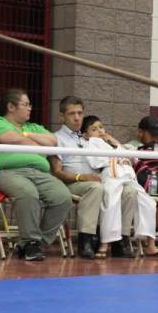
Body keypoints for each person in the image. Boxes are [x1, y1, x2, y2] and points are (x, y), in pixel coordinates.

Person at [0, 89, 72, 261]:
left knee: (63, 197)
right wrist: (35, 142)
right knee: (28, 193)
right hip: (6, 171)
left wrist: (27, 134)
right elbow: (12, 139)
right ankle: (31, 242)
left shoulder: (32, 127)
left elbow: (53, 141)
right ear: (11, 107)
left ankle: (35, 244)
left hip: (38, 172)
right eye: (26, 104)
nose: (30, 108)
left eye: (30, 104)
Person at [51, 96, 138, 259]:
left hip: (100, 180)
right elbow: (57, 171)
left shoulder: (88, 137)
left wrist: (109, 141)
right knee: (96, 188)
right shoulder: (56, 138)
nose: (77, 118)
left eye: (80, 113)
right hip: (74, 182)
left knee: (130, 191)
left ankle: (121, 240)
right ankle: (86, 240)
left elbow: (115, 154)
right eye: (72, 114)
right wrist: (82, 176)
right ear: (61, 116)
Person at [81, 115, 158, 258]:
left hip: (127, 174)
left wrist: (112, 141)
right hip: (111, 174)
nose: (99, 131)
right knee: (111, 204)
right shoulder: (91, 142)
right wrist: (115, 158)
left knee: (148, 203)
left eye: (101, 127)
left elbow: (129, 156)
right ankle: (105, 244)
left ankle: (151, 245)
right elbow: (95, 162)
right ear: (86, 135)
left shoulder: (110, 143)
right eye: (94, 129)